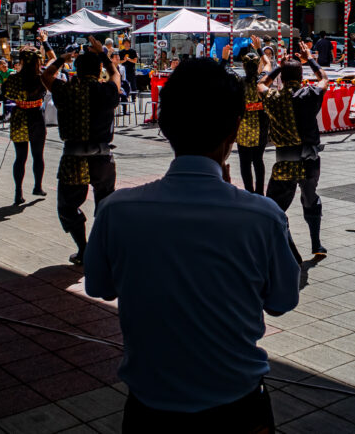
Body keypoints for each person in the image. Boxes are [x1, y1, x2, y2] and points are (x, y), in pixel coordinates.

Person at [85, 59, 300, 432]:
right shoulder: (261, 216)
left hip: (150, 407)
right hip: (238, 405)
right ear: (235, 128)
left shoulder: (116, 211)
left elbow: (98, 286)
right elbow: (283, 300)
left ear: (166, 126)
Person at [42, 36, 120, 265]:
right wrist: (104, 55)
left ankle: (84, 248)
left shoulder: (65, 90)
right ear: (98, 71)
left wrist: (62, 59)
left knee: (68, 207)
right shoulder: (107, 90)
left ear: (76, 69)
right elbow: (115, 75)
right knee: (105, 204)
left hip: (73, 157)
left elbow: (45, 76)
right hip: (102, 158)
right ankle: (101, 248)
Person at [260, 41, 329, 258]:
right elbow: (324, 79)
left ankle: (290, 250)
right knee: (310, 198)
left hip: (284, 162)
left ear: (282, 77)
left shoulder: (273, 98)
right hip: (309, 160)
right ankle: (316, 244)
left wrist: (280, 65)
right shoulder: (309, 94)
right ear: (300, 77)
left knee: (275, 209)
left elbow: (261, 83)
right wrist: (309, 59)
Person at [3, 48, 47, 204]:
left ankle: (18, 192)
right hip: (36, 116)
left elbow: (4, 91)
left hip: (19, 115)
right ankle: (37, 186)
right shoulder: (41, 78)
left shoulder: (14, 79)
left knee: (20, 157)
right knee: (38, 154)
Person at [236, 50, 269, 196]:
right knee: (258, 160)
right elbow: (268, 63)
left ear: (243, 66)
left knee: (245, 162)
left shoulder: (238, 82)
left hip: (243, 128)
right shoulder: (262, 80)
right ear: (257, 66)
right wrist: (260, 49)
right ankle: (260, 192)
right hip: (261, 127)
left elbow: (221, 71)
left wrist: (224, 58)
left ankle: (249, 191)